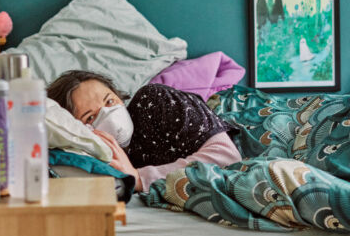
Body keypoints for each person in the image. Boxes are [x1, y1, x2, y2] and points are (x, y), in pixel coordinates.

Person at [47, 70, 242, 192]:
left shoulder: (154, 102)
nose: (108, 115)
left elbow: (227, 158)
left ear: (120, 98)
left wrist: (140, 178)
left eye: (110, 101)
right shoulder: (93, 157)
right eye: (90, 117)